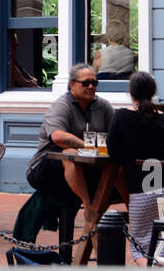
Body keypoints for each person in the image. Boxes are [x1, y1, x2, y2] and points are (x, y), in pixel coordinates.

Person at [107, 71, 164, 264]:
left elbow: (112, 151)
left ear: (130, 93)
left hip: (140, 192)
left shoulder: (121, 117)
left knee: (140, 247)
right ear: (153, 92)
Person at [21, 64, 114, 226]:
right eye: (85, 83)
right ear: (72, 84)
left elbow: (115, 136)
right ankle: (89, 208)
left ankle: (135, 218)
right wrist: (87, 146)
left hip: (89, 167)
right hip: (45, 169)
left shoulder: (103, 106)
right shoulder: (61, 105)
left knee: (117, 166)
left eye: (94, 83)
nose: (91, 86)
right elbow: (58, 137)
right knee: (69, 152)